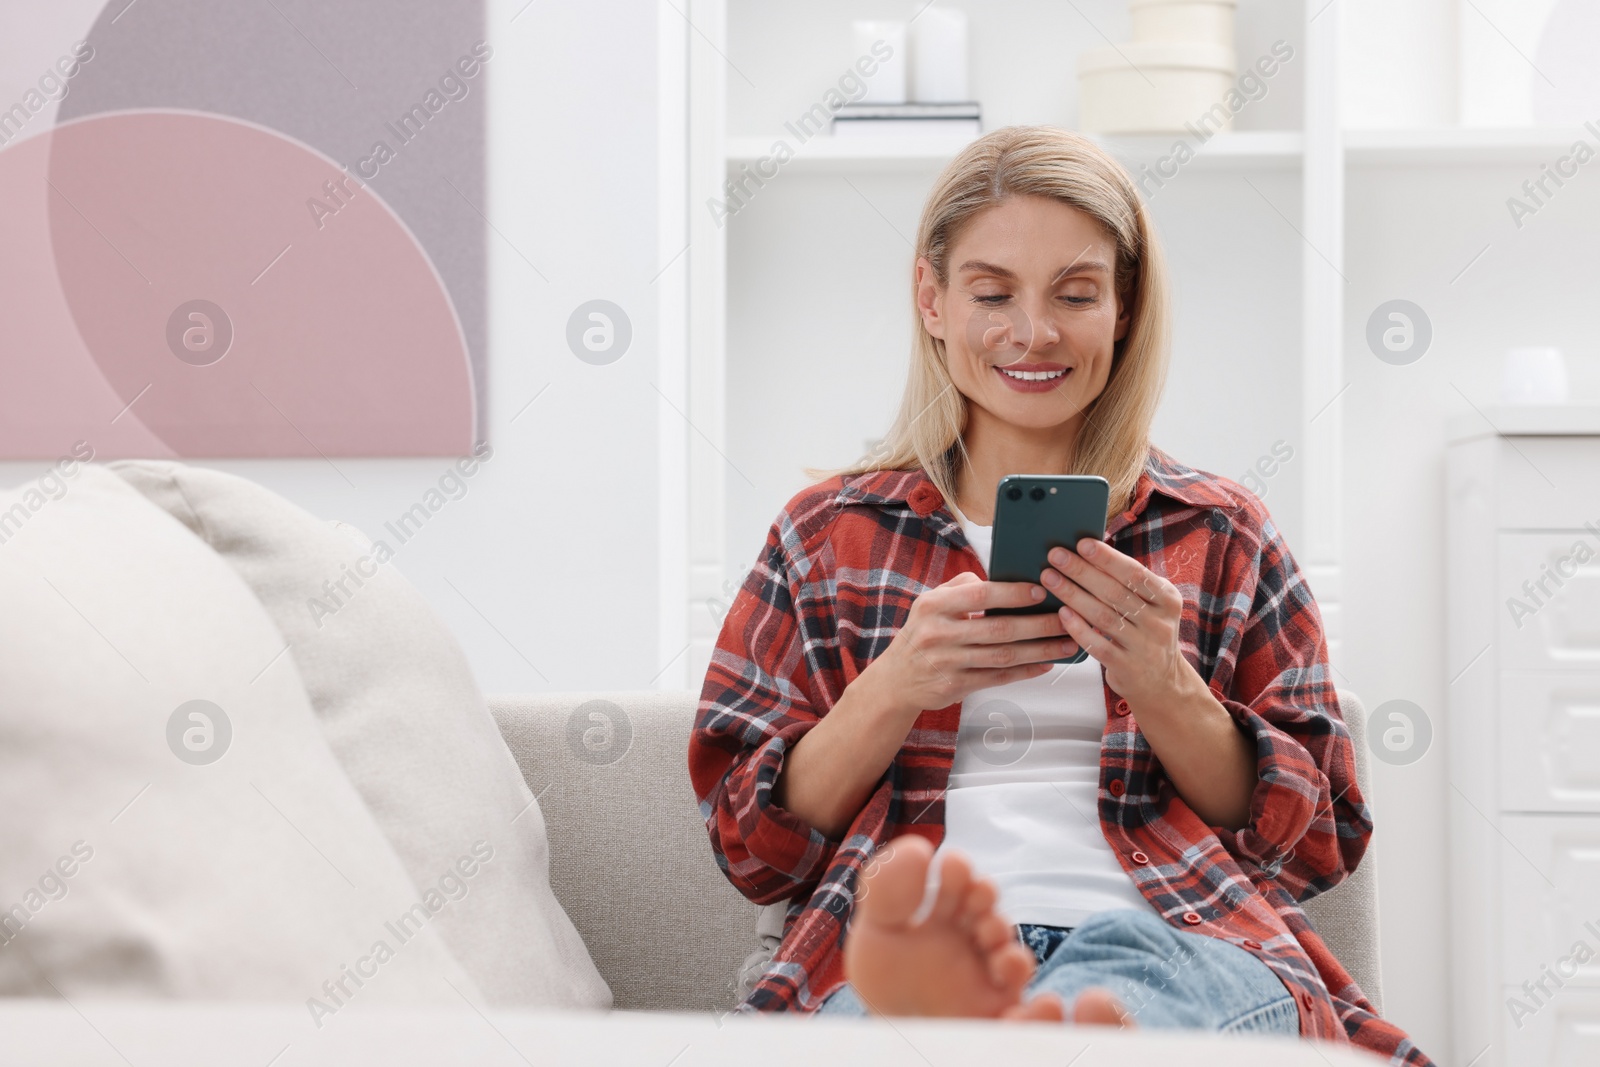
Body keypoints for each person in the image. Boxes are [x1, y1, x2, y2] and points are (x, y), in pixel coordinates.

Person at [688, 124, 1431, 1064]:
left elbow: (1319, 843)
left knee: (1122, 985)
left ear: (1123, 308)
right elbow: (753, 850)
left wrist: (1165, 685)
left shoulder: (1219, 531)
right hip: (913, 942)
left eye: (1075, 294)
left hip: (1175, 937)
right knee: (922, 1004)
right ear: (932, 298)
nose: (1033, 332)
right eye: (992, 293)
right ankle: (991, 1016)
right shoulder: (827, 534)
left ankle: (1010, 1026)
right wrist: (896, 685)